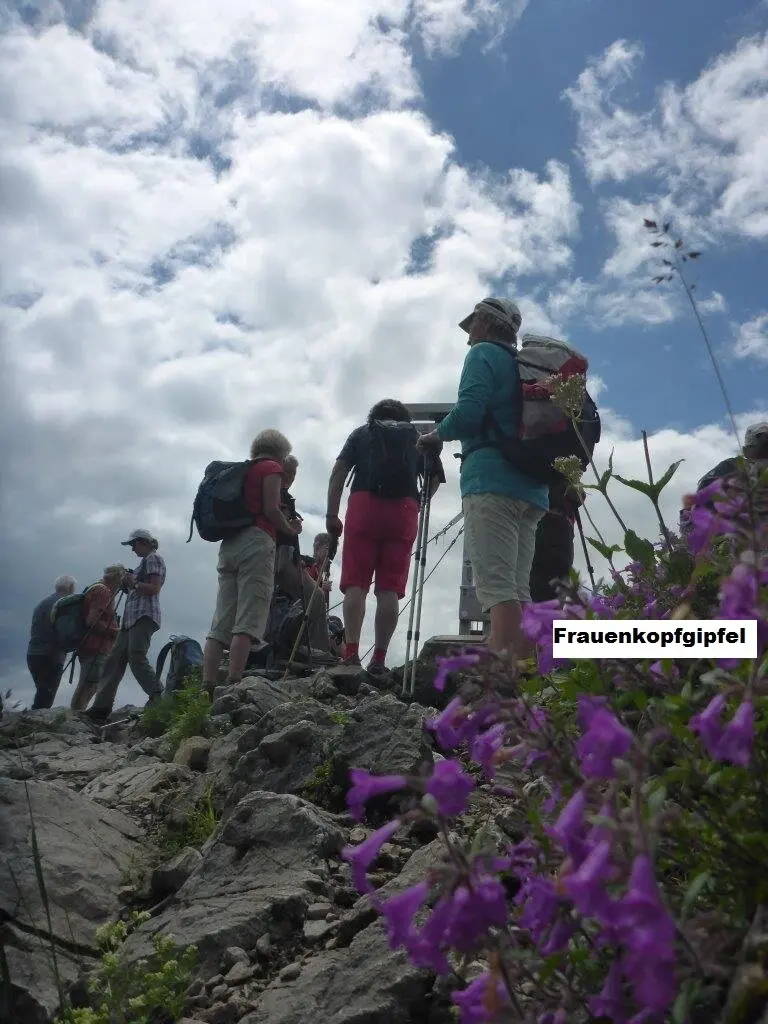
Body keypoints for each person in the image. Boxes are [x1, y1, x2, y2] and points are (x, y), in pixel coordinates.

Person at [419, 297, 549, 659]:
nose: (468, 337)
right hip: (533, 488)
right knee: (519, 589)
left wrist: (434, 435)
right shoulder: (523, 365)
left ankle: (503, 686)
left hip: (491, 482)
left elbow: (470, 412)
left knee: (496, 589)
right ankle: (527, 683)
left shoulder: (482, 356)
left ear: (486, 323)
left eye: (471, 325)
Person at [326, 398, 444, 675]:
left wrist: (332, 515)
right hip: (404, 509)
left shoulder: (361, 433)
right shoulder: (417, 438)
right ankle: (378, 659)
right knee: (389, 589)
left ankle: (351, 653)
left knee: (356, 583)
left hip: (364, 504)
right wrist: (423, 501)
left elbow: (338, 473)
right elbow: (435, 477)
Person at [201, 429, 300, 693]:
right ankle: (235, 682)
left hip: (229, 542)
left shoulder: (244, 472)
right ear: (280, 451)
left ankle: (207, 685)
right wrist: (289, 528)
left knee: (222, 618)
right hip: (257, 540)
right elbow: (270, 509)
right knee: (249, 614)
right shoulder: (270, 468)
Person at [85, 530, 166, 723]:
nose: (132, 549)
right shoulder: (145, 562)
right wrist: (130, 583)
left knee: (135, 656)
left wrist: (133, 582)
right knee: (114, 659)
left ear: (143, 542)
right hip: (132, 619)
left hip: (143, 616)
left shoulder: (153, 558)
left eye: (133, 545)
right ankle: (100, 707)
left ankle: (157, 694)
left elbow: (154, 589)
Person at [274, 462, 334, 658]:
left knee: (315, 599)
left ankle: (316, 652)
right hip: (279, 557)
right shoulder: (274, 494)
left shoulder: (283, 496)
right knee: (313, 598)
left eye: (293, 474)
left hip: (286, 557)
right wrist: (290, 527)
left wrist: (291, 527)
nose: (290, 477)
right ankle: (315, 653)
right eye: (287, 472)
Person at [70, 565, 125, 711]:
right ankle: (75, 717)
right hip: (96, 647)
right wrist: (116, 631)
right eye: (121, 580)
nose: (121, 586)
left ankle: (76, 715)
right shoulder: (103, 592)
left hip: (89, 646)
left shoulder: (95, 588)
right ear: (117, 578)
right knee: (89, 684)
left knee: (90, 684)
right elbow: (92, 620)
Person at [27, 575, 76, 709]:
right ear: (71, 588)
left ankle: (32, 724)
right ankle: (37, 726)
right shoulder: (65, 604)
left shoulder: (41, 604)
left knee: (42, 692)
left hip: (33, 654)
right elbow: (65, 633)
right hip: (52, 655)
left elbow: (32, 630)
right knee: (46, 698)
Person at [529, 481, 582, 603]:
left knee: (558, 583)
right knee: (537, 582)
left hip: (562, 528)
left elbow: (579, 495)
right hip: (541, 521)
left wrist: (576, 492)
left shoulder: (566, 470)